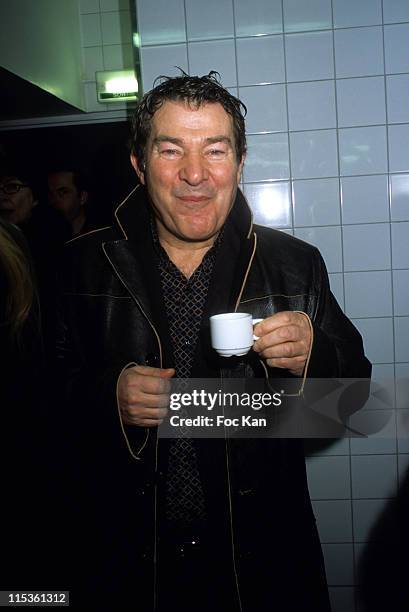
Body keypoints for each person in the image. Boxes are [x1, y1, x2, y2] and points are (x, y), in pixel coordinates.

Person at [58, 72, 371, 611]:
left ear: (240, 163)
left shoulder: (294, 266)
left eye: (215, 150)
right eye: (171, 149)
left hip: (263, 562)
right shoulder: (80, 266)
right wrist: (105, 395)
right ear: (139, 164)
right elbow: (34, 399)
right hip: (127, 561)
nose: (195, 174)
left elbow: (353, 404)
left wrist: (313, 354)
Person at [47, 168, 89, 237]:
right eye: (51, 194)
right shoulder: (48, 237)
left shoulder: (99, 235)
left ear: (82, 197)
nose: (55, 200)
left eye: (63, 192)